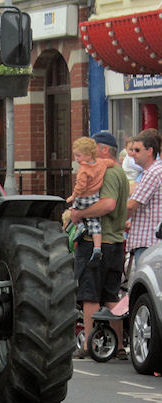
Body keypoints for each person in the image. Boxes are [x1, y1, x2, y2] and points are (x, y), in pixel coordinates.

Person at [69, 130, 129, 358]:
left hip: (98, 242)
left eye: (92, 149)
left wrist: (79, 214)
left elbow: (108, 204)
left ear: (104, 150)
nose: (87, 155)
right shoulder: (120, 173)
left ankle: (89, 346)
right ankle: (120, 347)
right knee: (112, 295)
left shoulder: (109, 175)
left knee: (90, 295)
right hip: (115, 242)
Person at [66, 136, 115, 263]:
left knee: (73, 211)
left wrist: (73, 196)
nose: (77, 159)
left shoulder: (83, 169)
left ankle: (81, 226)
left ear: (88, 155)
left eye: (78, 156)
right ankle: (97, 248)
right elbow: (110, 163)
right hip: (95, 197)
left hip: (83, 198)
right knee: (95, 223)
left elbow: (80, 186)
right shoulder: (101, 163)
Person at [125, 128, 162, 267]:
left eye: (137, 150)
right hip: (151, 241)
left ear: (150, 151)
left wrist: (115, 223)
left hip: (148, 243)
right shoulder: (155, 171)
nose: (133, 154)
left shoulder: (152, 173)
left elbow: (131, 206)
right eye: (132, 150)